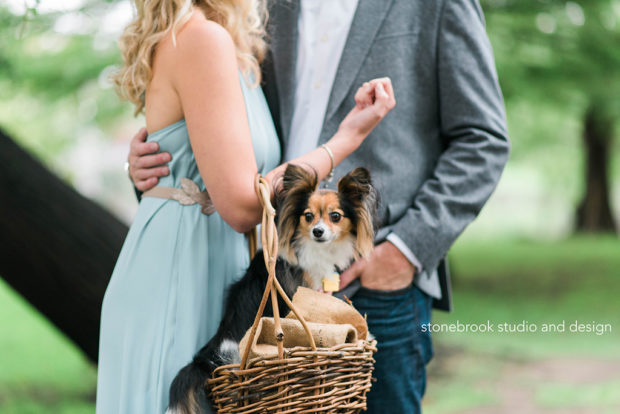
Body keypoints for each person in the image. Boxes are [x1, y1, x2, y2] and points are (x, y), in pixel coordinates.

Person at [128, 0, 510, 412]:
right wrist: (159, 167)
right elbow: (224, 133)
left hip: (375, 280)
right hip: (270, 285)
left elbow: (483, 140)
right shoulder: (260, 8)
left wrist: (405, 250)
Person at [97, 0, 395, 412]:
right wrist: (347, 138)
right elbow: (240, 205)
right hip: (182, 269)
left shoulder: (233, 47)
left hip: (214, 258)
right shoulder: (202, 37)